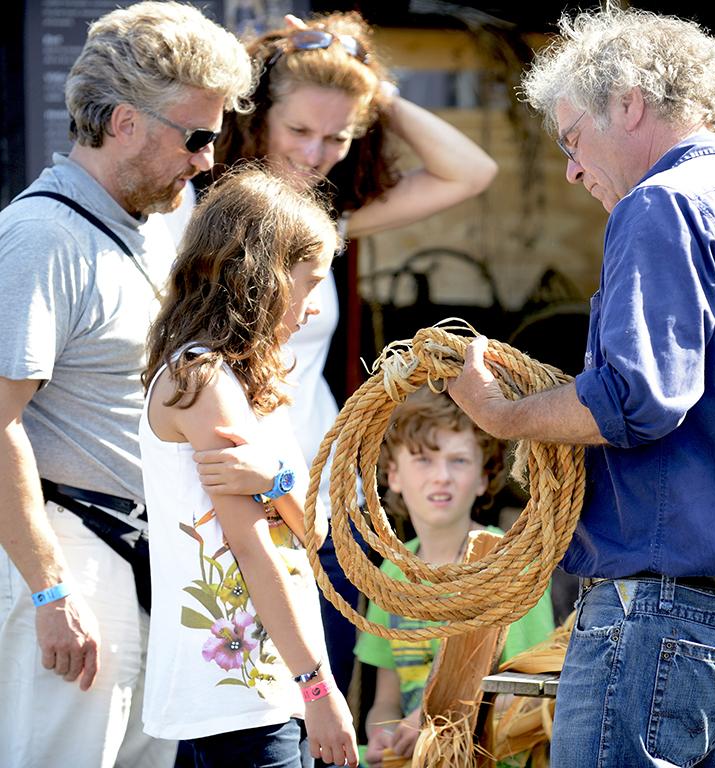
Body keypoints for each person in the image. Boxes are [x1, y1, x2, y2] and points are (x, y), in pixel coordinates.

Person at [447, 8, 715, 767]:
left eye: (572, 139)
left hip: (649, 623)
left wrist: (501, 414)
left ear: (628, 103)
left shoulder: (659, 205)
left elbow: (634, 397)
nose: (571, 167)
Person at [201, 11, 498, 696]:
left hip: (328, 508)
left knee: (324, 708)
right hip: (233, 507)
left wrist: (373, 86)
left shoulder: (327, 219)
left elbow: (471, 171)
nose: (314, 153)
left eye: (337, 136)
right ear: (253, 120)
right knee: (243, 707)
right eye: (299, 130)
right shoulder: (199, 219)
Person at [0, 4, 253, 767]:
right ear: (122, 123)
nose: (208, 160)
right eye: (198, 135)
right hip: (71, 558)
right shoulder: (42, 236)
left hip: (141, 553)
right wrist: (50, 591)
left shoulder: (144, 221)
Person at [140, 167, 358, 767]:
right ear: (257, 274)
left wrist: (276, 482)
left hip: (266, 684)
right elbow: (255, 547)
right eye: (309, 283)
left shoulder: (250, 385)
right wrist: (318, 686)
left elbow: (311, 531)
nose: (315, 309)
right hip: (240, 693)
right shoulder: (202, 381)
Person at [355, 390, 554, 767]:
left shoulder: (510, 565)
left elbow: (530, 694)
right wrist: (383, 737)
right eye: (424, 460)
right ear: (393, 475)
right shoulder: (393, 572)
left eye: (459, 461)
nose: (441, 476)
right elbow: (386, 702)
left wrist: (433, 724)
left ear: (483, 478)